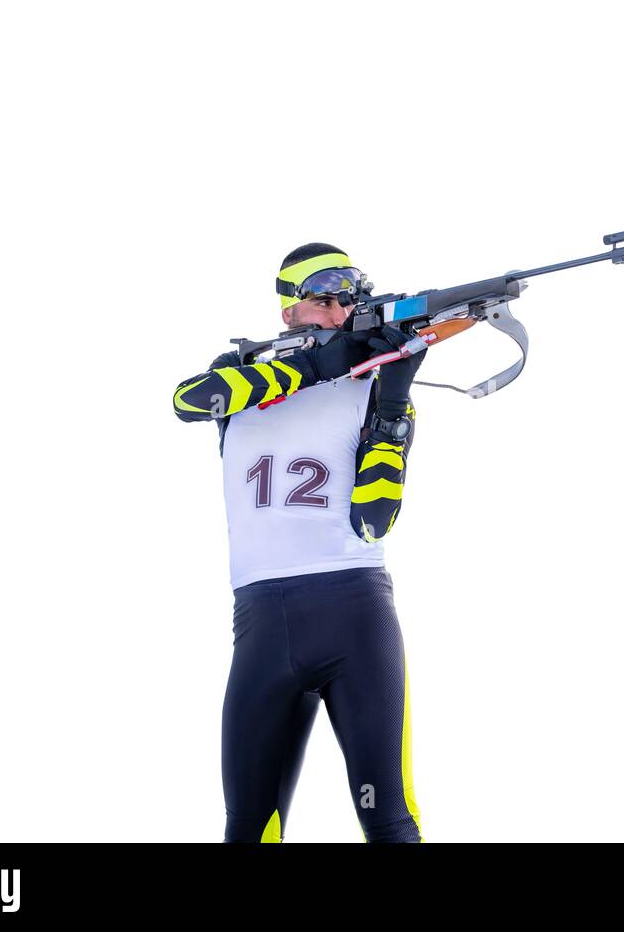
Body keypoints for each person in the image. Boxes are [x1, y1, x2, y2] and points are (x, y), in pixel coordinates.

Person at [172, 242, 427, 842]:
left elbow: (374, 519)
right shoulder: (244, 377)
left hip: (353, 613)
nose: (338, 312)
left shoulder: (372, 387)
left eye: (349, 301)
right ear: (289, 310)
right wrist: (312, 369)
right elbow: (186, 400)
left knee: (388, 821)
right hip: (261, 624)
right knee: (248, 829)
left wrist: (392, 400)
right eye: (323, 299)